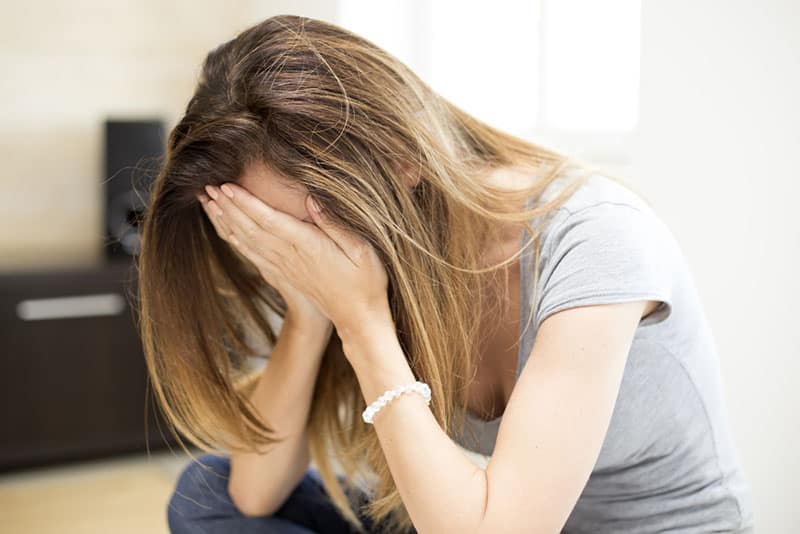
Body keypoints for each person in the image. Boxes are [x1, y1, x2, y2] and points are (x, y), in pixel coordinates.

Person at [137, 14, 755, 534]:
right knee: (208, 492)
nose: (292, 250)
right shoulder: (374, 260)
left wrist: (362, 322)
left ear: (399, 159)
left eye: (302, 229)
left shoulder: (596, 239)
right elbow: (253, 496)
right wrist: (310, 312)